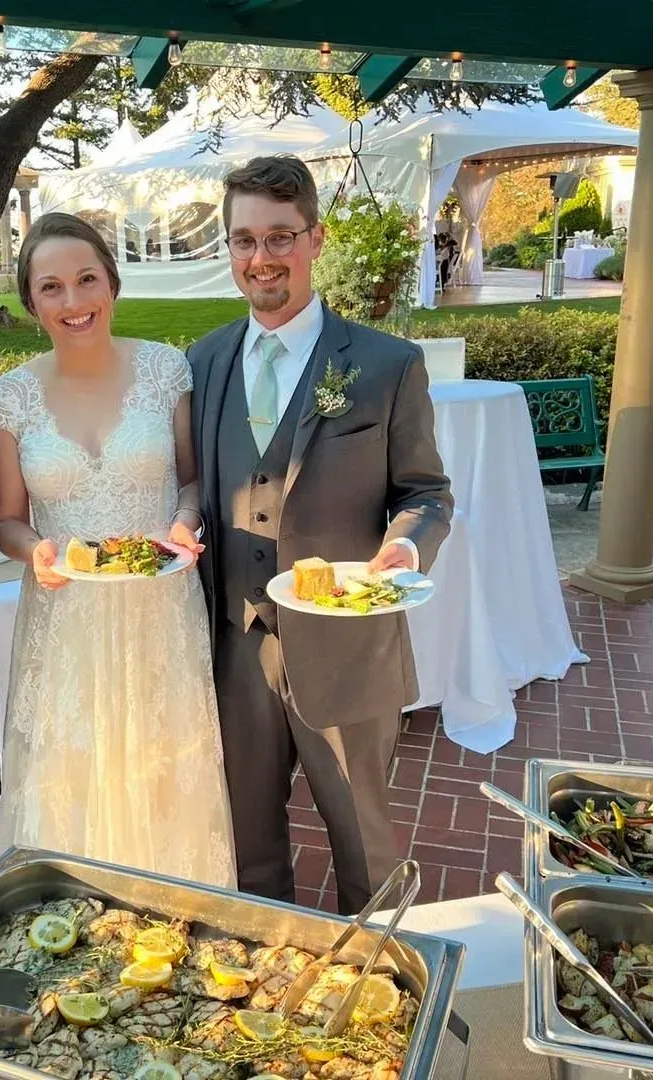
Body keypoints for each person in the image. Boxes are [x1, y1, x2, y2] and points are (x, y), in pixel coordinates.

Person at [188, 156, 453, 915]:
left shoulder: (385, 364)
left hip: (346, 644)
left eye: (279, 237)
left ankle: (374, 979)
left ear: (315, 239)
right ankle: (266, 975)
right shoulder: (201, 364)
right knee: (249, 841)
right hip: (235, 644)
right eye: (243, 241)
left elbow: (426, 493)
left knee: (364, 839)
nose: (260, 259)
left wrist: (404, 548)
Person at [0, 212, 235, 888]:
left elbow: (191, 478)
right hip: (66, 619)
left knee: (163, 767)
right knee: (73, 773)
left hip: (159, 606)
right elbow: (7, 520)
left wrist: (185, 520)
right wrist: (36, 550)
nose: (74, 302)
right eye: (52, 288)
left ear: (113, 284)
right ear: (31, 301)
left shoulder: (165, 371)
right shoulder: (10, 398)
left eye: (87, 280)